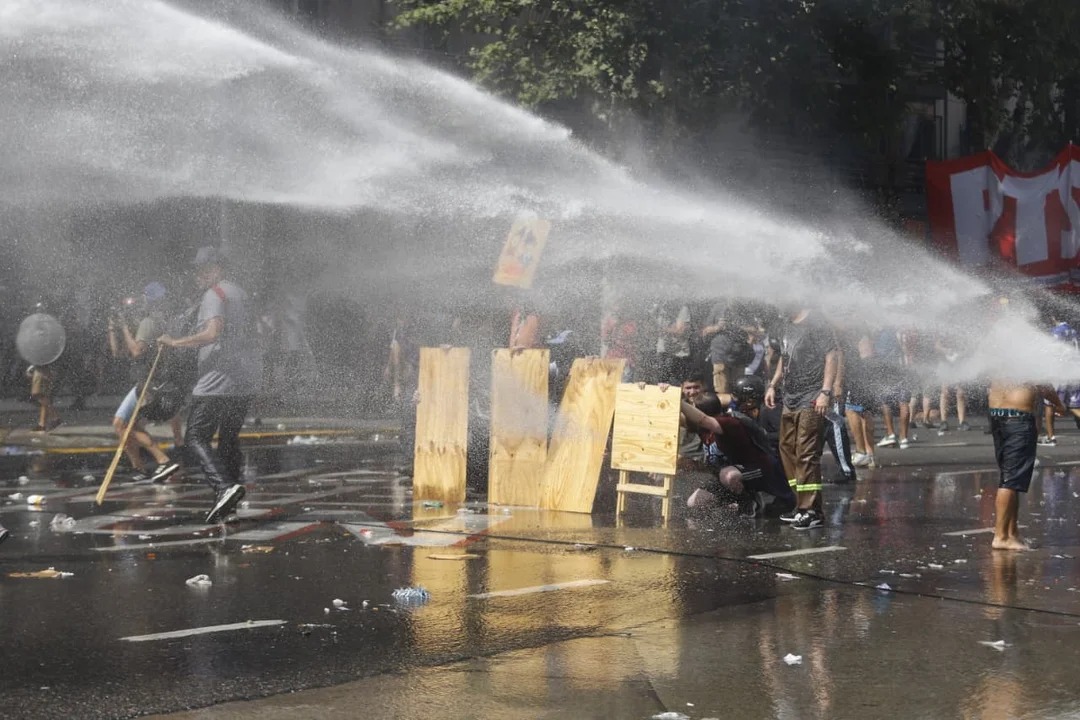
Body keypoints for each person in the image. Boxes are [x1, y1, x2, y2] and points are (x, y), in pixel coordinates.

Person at [159, 247, 262, 523]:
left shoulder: (215, 294)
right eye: (197, 270)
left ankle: (224, 488)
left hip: (218, 380)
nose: (198, 275)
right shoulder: (241, 293)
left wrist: (174, 342)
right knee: (228, 439)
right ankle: (231, 497)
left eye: (203, 270)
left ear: (217, 269)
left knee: (195, 436)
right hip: (245, 380)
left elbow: (212, 334)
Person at [764, 306, 841, 530]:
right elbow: (784, 358)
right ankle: (801, 505)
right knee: (786, 448)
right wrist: (772, 385)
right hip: (790, 397)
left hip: (812, 395)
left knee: (806, 451)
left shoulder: (817, 322)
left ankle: (812, 511)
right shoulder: (786, 324)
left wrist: (825, 391)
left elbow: (832, 355)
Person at [682, 374, 796, 516]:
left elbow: (704, 419)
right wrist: (662, 394)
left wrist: (680, 403)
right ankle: (733, 501)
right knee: (694, 502)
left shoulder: (728, 423)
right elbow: (679, 418)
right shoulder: (702, 428)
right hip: (734, 473)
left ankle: (749, 501)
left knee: (728, 475)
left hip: (758, 469)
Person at [109, 282, 182, 483]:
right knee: (124, 425)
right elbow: (118, 352)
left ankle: (162, 461)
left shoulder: (148, 323)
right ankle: (139, 468)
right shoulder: (165, 322)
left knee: (122, 425)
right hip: (154, 383)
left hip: (148, 384)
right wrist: (113, 329)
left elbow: (136, 351)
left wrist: (124, 327)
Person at [987, 379, 1064, 551]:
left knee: (1011, 477)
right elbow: (1044, 385)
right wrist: (1059, 404)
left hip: (997, 415)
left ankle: (1012, 532)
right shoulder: (1026, 355)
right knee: (1010, 480)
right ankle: (1001, 536)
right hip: (1018, 418)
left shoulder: (996, 355)